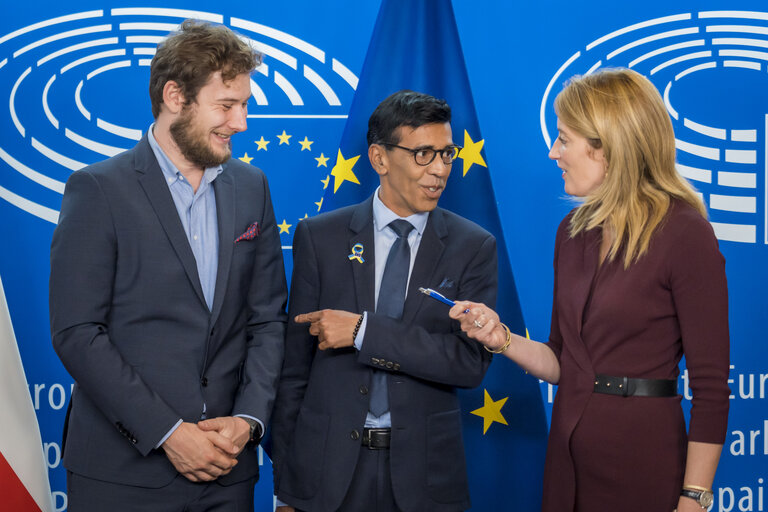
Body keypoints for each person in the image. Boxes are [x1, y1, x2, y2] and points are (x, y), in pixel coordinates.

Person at [450, 69, 729, 512]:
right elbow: (565, 362)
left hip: (645, 459)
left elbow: (712, 387)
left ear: (607, 146)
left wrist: (694, 497)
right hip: (568, 456)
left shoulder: (685, 234)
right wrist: (500, 339)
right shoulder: (572, 233)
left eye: (564, 139)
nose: (552, 152)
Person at [49, 20, 287, 510]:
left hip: (228, 470)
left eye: (243, 105)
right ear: (175, 97)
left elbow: (266, 321)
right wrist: (169, 434)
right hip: (122, 475)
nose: (240, 122)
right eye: (226, 105)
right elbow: (77, 331)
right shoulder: (98, 189)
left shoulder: (252, 186)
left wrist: (248, 421)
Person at [270, 90, 496, 512]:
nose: (440, 170)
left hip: (424, 478)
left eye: (447, 154)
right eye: (423, 153)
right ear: (379, 158)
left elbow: (467, 364)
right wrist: (288, 480)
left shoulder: (472, 246)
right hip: (324, 476)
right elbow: (293, 370)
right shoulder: (320, 237)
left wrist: (363, 332)